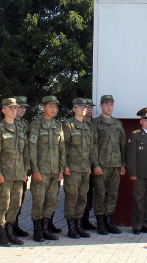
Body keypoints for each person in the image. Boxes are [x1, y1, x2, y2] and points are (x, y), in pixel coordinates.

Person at [28, 95, 66, 242]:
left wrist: (61, 169)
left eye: (56, 107)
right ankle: (37, 231)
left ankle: (45, 228)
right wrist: (35, 170)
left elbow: (61, 148)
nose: (54, 109)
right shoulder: (36, 125)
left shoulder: (58, 126)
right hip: (41, 171)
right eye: (50, 107)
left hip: (54, 171)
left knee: (51, 200)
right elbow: (32, 149)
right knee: (38, 201)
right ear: (43, 107)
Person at [0, 98, 27, 246]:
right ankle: (2, 235)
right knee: (3, 204)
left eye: (15, 108)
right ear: (3, 110)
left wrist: (25, 171)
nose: (14, 110)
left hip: (19, 174)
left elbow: (25, 152)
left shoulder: (21, 129)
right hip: (5, 175)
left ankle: (10, 232)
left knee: (15, 204)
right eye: (11, 108)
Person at [91, 94, 127, 235]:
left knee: (112, 194)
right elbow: (92, 146)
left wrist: (123, 164)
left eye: (111, 104)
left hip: (115, 165)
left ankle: (109, 222)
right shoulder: (96, 123)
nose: (109, 107)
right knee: (100, 194)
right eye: (106, 104)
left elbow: (122, 145)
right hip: (102, 165)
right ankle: (100, 223)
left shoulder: (117, 124)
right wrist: (96, 165)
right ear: (101, 106)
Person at [62, 98, 96, 238]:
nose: (83, 109)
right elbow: (63, 147)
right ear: (73, 109)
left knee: (82, 198)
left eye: (85, 107)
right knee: (72, 197)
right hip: (72, 168)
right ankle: (71, 227)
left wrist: (89, 166)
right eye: (80, 107)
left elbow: (90, 148)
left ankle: (79, 225)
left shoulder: (88, 127)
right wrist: (64, 165)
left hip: (84, 168)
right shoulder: (68, 126)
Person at [12, 96, 31, 238]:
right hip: (9, 170)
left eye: (24, 107)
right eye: (20, 107)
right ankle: (7, 228)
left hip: (22, 170)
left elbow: (29, 148)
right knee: (8, 201)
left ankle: (15, 225)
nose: (22, 110)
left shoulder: (26, 125)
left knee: (19, 199)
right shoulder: (6, 124)